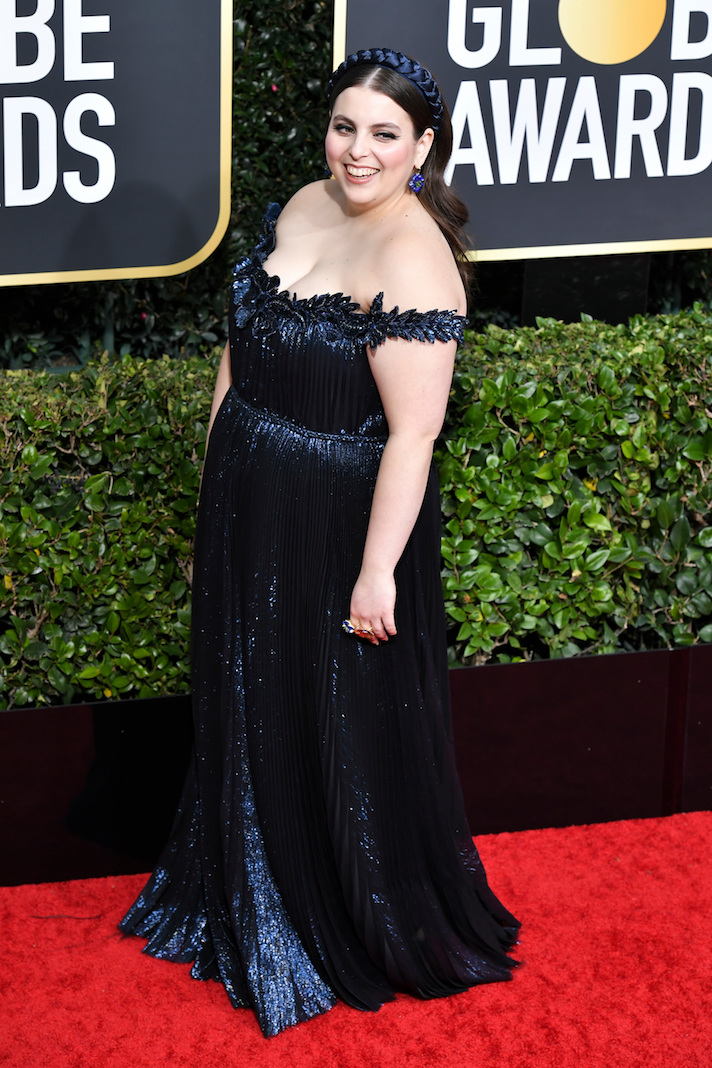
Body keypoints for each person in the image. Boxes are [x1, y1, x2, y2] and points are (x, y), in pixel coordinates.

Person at [120, 47, 519, 1037]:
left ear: (422, 148)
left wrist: (377, 570)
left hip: (335, 523)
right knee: (248, 692)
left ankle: (330, 909)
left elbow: (414, 435)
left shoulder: (413, 258)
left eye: (384, 134)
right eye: (345, 126)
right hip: (250, 497)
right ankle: (241, 884)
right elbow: (238, 352)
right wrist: (218, 484)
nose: (358, 150)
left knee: (329, 714)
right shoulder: (300, 203)